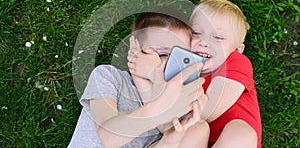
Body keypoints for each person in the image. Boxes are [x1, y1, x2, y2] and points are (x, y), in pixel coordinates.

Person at [128, 0, 262, 148]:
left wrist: (155, 76)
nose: (204, 42)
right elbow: (163, 121)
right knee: (192, 129)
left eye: (217, 37)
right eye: (196, 33)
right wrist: (139, 73)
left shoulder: (236, 62)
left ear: (237, 50)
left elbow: (206, 111)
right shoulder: (177, 66)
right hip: (190, 141)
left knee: (241, 132)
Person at [68, 10, 209, 148]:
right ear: (136, 51)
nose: (170, 64)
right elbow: (108, 137)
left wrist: (167, 142)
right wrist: (159, 107)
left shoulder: (180, 105)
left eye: (180, 56)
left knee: (198, 129)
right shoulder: (109, 77)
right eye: (162, 54)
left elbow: (167, 134)